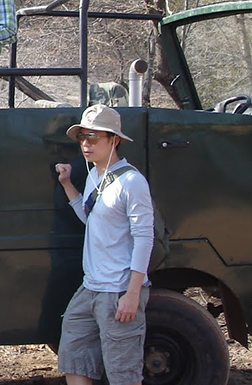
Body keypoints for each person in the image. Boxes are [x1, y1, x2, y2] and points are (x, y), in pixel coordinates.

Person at [54, 105, 154, 385]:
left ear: (114, 140)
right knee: (74, 359)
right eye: (82, 137)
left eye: (94, 137)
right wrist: (67, 184)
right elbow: (91, 218)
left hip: (118, 289)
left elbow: (144, 237)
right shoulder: (94, 176)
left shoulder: (132, 182)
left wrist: (132, 293)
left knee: (123, 373)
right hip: (91, 287)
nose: (86, 144)